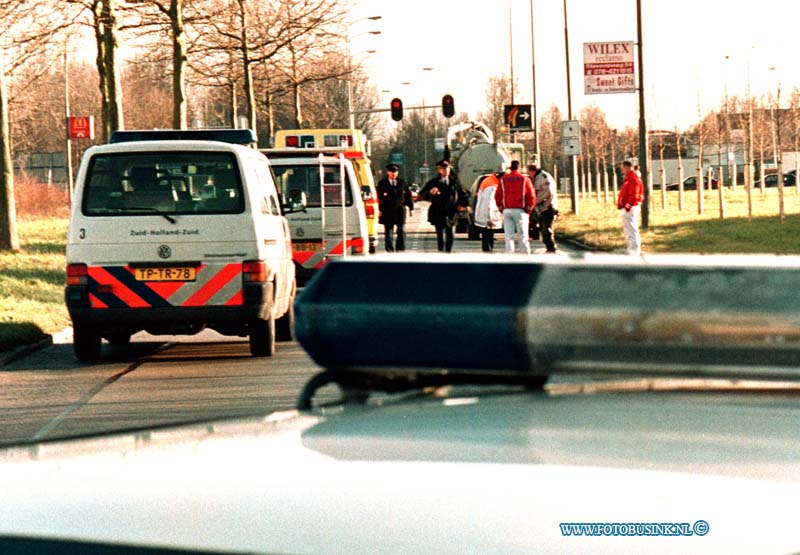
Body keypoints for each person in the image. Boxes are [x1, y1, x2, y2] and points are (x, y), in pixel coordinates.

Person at [418, 160, 469, 252]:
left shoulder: (454, 182)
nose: (446, 171)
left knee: (451, 236)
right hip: (438, 212)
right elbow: (422, 195)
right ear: (439, 170)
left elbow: (463, 194)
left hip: (451, 212)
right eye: (443, 169)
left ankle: (448, 253)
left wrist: (463, 204)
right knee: (440, 236)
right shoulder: (433, 182)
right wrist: (430, 193)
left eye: (447, 168)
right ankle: (441, 254)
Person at [495, 160, 535, 254]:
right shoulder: (525, 179)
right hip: (521, 210)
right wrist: (529, 208)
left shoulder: (503, 179)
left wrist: (500, 207)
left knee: (509, 236)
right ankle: (525, 256)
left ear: (510, 168)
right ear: (519, 167)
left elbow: (497, 195)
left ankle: (509, 255)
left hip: (507, 210)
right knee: (523, 235)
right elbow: (531, 195)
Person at [376, 163, 414, 252]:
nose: (393, 174)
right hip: (387, 210)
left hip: (400, 210)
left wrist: (411, 207)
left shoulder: (402, 183)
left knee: (401, 231)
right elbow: (379, 198)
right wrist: (379, 209)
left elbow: (408, 196)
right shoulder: (382, 184)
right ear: (388, 172)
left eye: (395, 172)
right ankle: (390, 250)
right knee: (388, 233)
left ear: (397, 173)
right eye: (391, 172)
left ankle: (400, 249)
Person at [527, 161, 559, 253]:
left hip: (548, 207)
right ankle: (549, 248)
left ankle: (551, 248)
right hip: (543, 208)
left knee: (547, 229)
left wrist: (535, 201)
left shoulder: (543, 177)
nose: (529, 175)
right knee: (543, 229)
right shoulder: (539, 177)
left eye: (529, 172)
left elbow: (547, 192)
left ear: (533, 171)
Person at [617, 160, 644, 255]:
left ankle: (634, 250)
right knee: (628, 229)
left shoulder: (633, 179)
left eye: (623, 168)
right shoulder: (629, 178)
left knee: (631, 229)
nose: (622, 170)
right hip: (628, 207)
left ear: (628, 167)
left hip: (630, 208)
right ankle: (631, 249)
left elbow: (634, 194)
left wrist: (628, 206)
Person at [473, 172, 504, 252]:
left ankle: (487, 250)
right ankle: (488, 252)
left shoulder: (488, 181)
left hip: (484, 213)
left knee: (486, 234)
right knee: (488, 234)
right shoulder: (492, 186)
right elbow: (489, 202)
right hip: (487, 214)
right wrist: (489, 218)